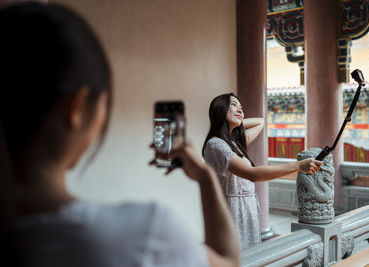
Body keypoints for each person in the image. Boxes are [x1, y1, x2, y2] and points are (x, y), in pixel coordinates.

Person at [0, 3, 239, 267]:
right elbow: (228, 262)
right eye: (104, 102)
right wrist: (206, 178)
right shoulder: (144, 234)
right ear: (77, 108)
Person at [202, 93, 322, 248]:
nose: (239, 109)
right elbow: (252, 174)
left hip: (246, 208)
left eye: (241, 107)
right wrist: (298, 165)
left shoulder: (233, 143)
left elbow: (261, 122)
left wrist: (236, 120)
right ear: (219, 109)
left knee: (249, 255)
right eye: (233, 104)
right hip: (231, 210)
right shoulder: (216, 144)